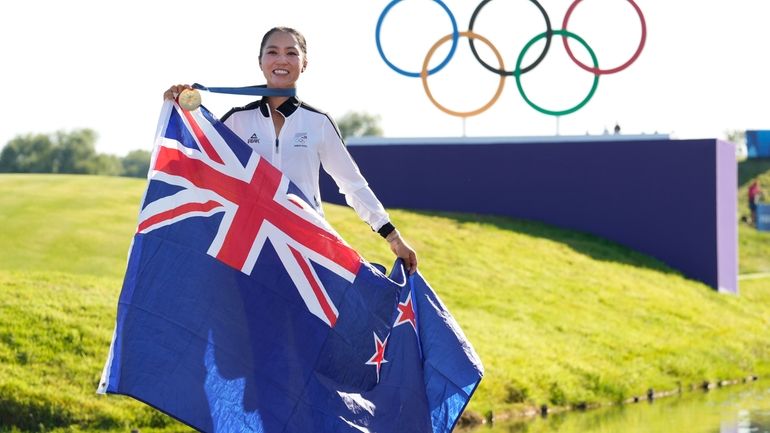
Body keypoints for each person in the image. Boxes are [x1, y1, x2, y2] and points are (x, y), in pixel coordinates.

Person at [164, 26, 418, 273]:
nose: (282, 59)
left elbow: (352, 185)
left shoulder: (318, 122)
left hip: (306, 247)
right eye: (273, 52)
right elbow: (195, 164)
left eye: (292, 52)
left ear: (304, 62)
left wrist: (392, 236)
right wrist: (178, 107)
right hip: (251, 248)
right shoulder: (236, 121)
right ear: (261, 61)